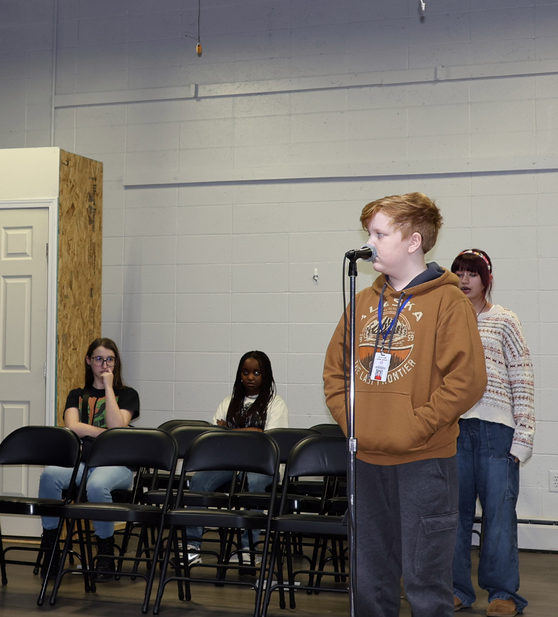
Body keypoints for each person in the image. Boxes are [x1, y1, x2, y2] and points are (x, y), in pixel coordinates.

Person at [323, 192, 486, 617]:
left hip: (424, 461)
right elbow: (335, 373)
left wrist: (413, 427)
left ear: (413, 241)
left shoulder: (447, 300)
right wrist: (355, 424)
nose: (370, 242)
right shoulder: (361, 303)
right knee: (369, 581)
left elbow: (466, 382)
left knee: (425, 583)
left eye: (380, 233)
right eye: (369, 233)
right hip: (366, 460)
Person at [450, 249, 534, 617]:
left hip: (497, 432)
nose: (464, 280)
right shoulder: (445, 321)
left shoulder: (504, 320)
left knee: (500, 516)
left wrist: (524, 436)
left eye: (472, 274)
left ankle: (502, 593)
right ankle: (454, 589)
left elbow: (523, 376)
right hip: (453, 431)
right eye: (459, 273)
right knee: (452, 515)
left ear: (487, 280)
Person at [37, 337, 140, 581]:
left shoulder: (127, 395)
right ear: (88, 361)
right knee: (49, 475)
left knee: (97, 485)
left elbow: (117, 425)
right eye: (98, 359)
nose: (104, 365)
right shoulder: (76, 394)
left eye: (110, 360)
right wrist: (106, 435)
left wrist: (108, 388)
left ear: (116, 363)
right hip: (83, 464)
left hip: (118, 466)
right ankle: (50, 547)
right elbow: (72, 426)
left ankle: (105, 554)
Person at [184, 350, 288, 565]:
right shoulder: (228, 402)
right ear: (240, 375)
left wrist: (232, 431)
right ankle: (192, 546)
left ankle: (249, 548)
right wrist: (249, 431)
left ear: (266, 376)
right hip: (229, 463)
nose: (251, 377)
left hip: (263, 467)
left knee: (255, 481)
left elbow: (267, 440)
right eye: (246, 372)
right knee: (198, 480)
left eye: (257, 372)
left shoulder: (275, 404)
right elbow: (215, 438)